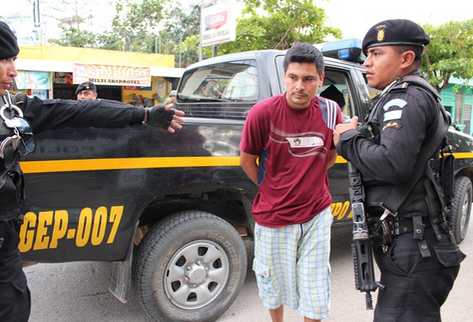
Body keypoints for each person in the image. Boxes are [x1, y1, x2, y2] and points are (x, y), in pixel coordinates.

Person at [0, 21, 184, 322]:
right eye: (5, 59)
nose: (14, 70)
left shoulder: (13, 108)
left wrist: (146, 114)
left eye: (14, 60)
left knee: (15, 305)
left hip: (6, 235)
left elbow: (80, 111)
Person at [334, 19, 465, 322]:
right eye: (367, 55)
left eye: (377, 54)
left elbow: (393, 165)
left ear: (406, 59)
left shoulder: (405, 97)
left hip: (416, 249)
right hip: (410, 247)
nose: (367, 63)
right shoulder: (399, 96)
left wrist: (348, 140)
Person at [240, 43, 343, 322]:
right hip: (274, 216)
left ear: (320, 79)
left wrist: (308, 178)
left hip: (317, 215)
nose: (300, 86)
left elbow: (331, 155)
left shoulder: (331, 112)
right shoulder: (262, 113)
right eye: (293, 77)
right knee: (273, 283)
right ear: (284, 76)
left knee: (316, 287)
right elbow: (247, 159)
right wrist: (271, 188)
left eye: (308, 79)